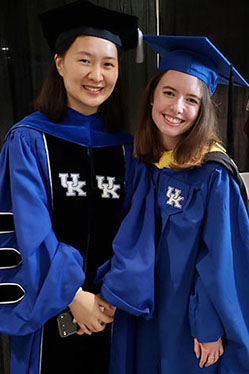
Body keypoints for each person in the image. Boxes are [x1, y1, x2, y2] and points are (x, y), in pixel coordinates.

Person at [0, 1, 146, 373]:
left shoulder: (128, 149)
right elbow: (26, 228)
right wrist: (73, 296)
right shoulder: (28, 140)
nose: (96, 74)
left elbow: (137, 230)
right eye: (84, 60)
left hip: (111, 312)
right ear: (60, 63)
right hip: (50, 312)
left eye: (108, 64)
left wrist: (110, 295)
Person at [99, 35, 249, 373]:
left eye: (191, 100)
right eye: (169, 93)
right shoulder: (141, 160)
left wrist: (209, 324)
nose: (177, 108)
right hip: (142, 307)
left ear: (202, 110)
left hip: (187, 317)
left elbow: (221, 258)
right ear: (152, 94)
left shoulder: (212, 173)